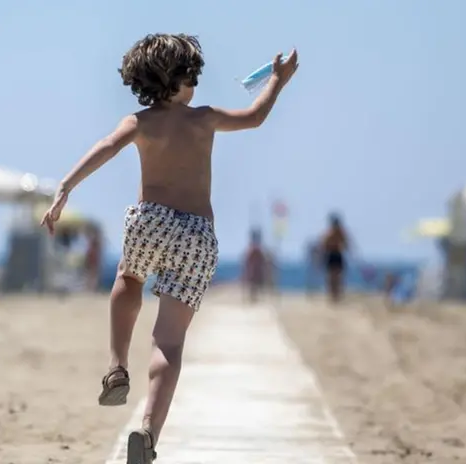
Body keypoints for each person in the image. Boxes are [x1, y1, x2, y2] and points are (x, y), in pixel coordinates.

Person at [40, 33, 298, 463]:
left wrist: (65, 187)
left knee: (128, 278)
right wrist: (278, 80)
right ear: (180, 79)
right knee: (169, 343)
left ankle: (116, 365)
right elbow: (255, 117)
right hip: (196, 235)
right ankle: (148, 432)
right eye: (192, 75)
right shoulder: (204, 118)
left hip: (151, 222)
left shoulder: (138, 123)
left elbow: (103, 150)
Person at [321, 213, 349, 303]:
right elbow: (324, 245)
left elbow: (346, 244)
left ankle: (336, 294)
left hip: (337, 254)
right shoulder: (329, 233)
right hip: (331, 254)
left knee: (337, 276)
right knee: (332, 276)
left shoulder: (341, 233)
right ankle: (333, 294)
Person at [242, 229, 265, 303]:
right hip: (254, 270)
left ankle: (254, 297)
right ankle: (253, 298)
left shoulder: (255, 250)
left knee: (254, 284)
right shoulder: (254, 250)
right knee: (253, 285)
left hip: (255, 270)